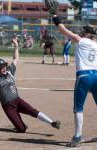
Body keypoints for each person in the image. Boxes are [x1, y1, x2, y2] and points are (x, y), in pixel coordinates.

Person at [0, 36, 61, 133]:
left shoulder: (9, 72)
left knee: (33, 111)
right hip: (7, 106)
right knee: (21, 130)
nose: (5, 68)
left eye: (5, 66)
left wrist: (16, 46)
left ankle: (52, 122)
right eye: (2, 67)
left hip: (17, 100)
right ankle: (20, 124)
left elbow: (15, 58)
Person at [52, 15, 97, 147]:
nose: (83, 32)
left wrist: (55, 16)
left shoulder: (80, 40)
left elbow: (63, 30)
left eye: (85, 31)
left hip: (84, 77)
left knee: (78, 108)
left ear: (88, 34)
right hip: (96, 76)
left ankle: (77, 137)